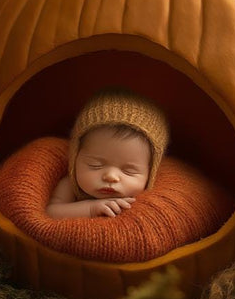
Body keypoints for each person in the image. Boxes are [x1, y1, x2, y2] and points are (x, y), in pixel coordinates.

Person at [46, 88, 169, 219]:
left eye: (129, 171)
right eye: (95, 165)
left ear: (150, 173)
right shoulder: (70, 185)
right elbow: (51, 212)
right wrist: (90, 209)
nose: (111, 176)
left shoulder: (148, 195)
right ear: (75, 157)